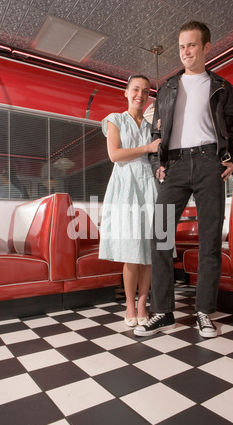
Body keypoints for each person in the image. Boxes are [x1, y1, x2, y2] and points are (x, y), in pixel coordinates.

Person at [134, 21, 233, 338]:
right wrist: (158, 162)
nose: (185, 51)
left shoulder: (223, 88)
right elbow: (157, 134)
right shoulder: (168, 88)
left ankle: (204, 313)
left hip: (211, 162)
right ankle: (162, 312)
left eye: (192, 45)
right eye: (182, 46)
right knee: (161, 238)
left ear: (207, 47)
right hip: (176, 166)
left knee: (210, 242)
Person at [99, 75, 161, 327]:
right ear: (126, 92)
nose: (140, 94)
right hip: (125, 187)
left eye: (145, 91)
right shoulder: (115, 119)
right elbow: (115, 154)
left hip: (149, 186)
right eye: (136, 89)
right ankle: (129, 305)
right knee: (131, 252)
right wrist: (148, 148)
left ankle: (143, 304)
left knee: (149, 252)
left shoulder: (150, 127)